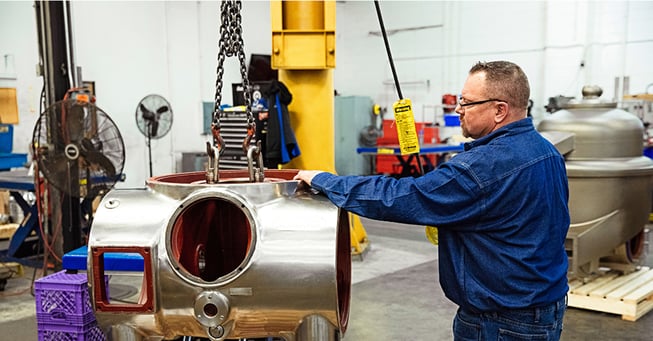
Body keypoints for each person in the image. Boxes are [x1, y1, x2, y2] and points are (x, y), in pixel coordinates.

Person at [294, 61, 570, 340]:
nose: (458, 110)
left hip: (501, 321)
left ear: (500, 110)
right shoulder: (547, 151)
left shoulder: (482, 167)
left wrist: (325, 181)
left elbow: (399, 197)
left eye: (467, 102)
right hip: (547, 306)